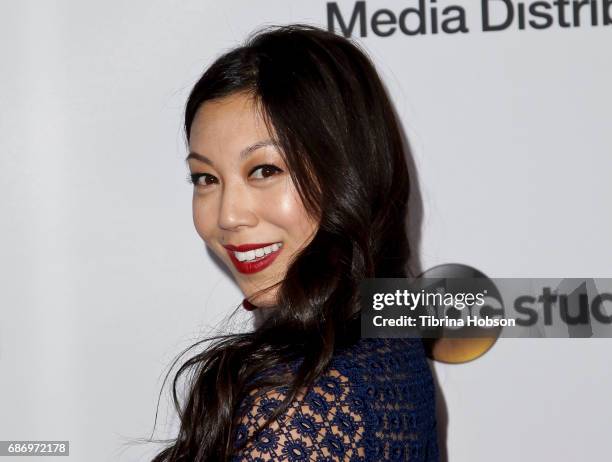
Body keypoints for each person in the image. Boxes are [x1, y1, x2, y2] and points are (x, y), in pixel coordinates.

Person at [151, 24, 439, 461]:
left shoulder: (290, 409)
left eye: (265, 170)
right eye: (206, 178)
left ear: (345, 175)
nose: (228, 215)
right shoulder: (386, 343)